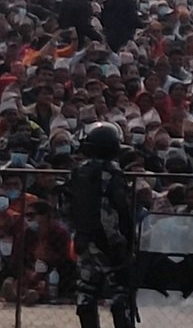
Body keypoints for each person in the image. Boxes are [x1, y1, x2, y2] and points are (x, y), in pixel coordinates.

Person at [70, 122, 136, 328]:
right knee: (120, 291)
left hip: (83, 238)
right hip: (110, 239)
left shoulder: (78, 172)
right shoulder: (112, 173)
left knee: (86, 291)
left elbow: (67, 205)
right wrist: (128, 236)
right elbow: (122, 207)